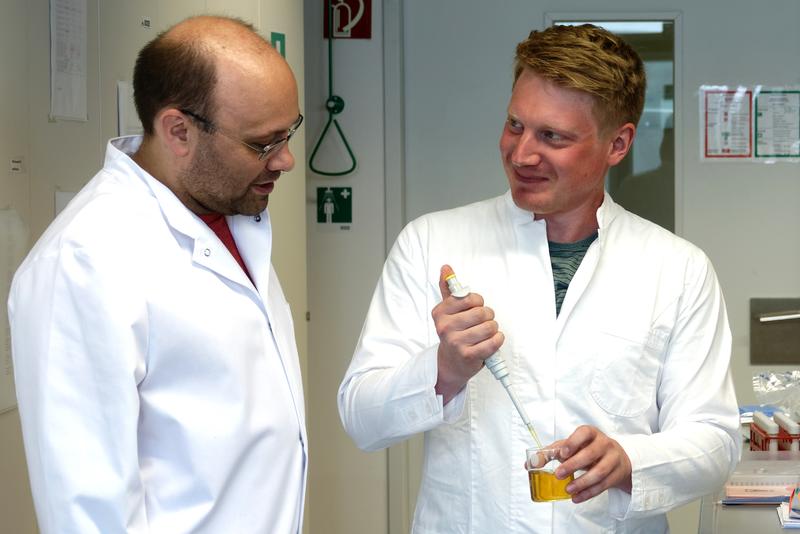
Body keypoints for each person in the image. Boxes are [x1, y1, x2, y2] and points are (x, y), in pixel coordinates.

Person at [338, 24, 740, 533]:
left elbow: (716, 439)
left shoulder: (677, 269)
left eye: (552, 136)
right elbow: (361, 417)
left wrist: (628, 460)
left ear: (618, 144)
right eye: (514, 125)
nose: (522, 153)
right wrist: (444, 370)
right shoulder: (431, 243)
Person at [8, 16, 307, 533]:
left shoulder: (230, 212)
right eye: (263, 143)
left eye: (289, 132)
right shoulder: (84, 261)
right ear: (178, 131)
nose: (286, 159)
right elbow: (91, 516)